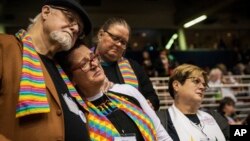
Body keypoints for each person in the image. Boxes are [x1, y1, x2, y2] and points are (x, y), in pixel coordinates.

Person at [0, 0, 92, 140]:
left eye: (79, 29)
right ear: (46, 12)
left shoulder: (63, 70)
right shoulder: (5, 46)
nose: (75, 29)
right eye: (70, 18)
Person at [57, 44, 173, 141]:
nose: (94, 64)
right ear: (71, 78)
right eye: (84, 64)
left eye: (93, 58)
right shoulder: (77, 116)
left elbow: (161, 135)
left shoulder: (127, 93)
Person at [93, 17, 160, 111]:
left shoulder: (134, 67)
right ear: (101, 34)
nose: (119, 44)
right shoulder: (85, 64)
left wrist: (149, 103)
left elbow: (153, 97)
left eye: (123, 42)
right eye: (115, 38)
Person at [160, 64, 226, 141]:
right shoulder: (161, 121)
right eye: (196, 81)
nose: (202, 87)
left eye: (204, 84)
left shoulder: (214, 116)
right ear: (176, 85)